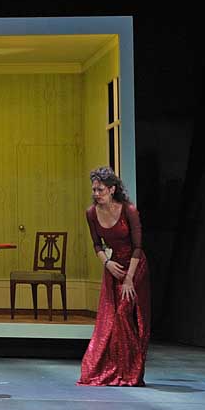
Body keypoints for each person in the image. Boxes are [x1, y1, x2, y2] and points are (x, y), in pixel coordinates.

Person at [78, 166, 151, 387]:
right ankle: (110, 370)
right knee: (109, 319)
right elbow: (96, 244)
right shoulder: (91, 213)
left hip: (135, 268)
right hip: (113, 267)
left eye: (100, 189)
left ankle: (130, 372)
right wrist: (107, 264)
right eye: (94, 190)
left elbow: (138, 247)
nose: (96, 194)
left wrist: (129, 279)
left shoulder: (129, 210)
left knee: (125, 316)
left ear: (112, 189)